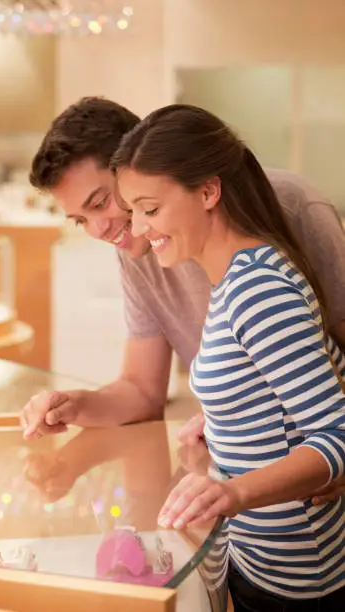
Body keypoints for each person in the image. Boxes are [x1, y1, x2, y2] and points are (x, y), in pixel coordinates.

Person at [22, 97, 345, 505]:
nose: (99, 230)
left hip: (306, 494)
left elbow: (331, 404)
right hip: (246, 496)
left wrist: (332, 454)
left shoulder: (291, 210)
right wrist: (74, 407)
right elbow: (142, 390)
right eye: (80, 220)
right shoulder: (140, 252)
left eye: (101, 202)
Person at [111, 104, 345, 610]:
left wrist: (233, 494)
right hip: (261, 561)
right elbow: (284, 393)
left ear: (209, 191)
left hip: (299, 578)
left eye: (150, 208)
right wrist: (221, 421)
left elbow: (337, 435)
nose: (138, 228)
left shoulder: (258, 289)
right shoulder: (240, 279)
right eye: (132, 210)